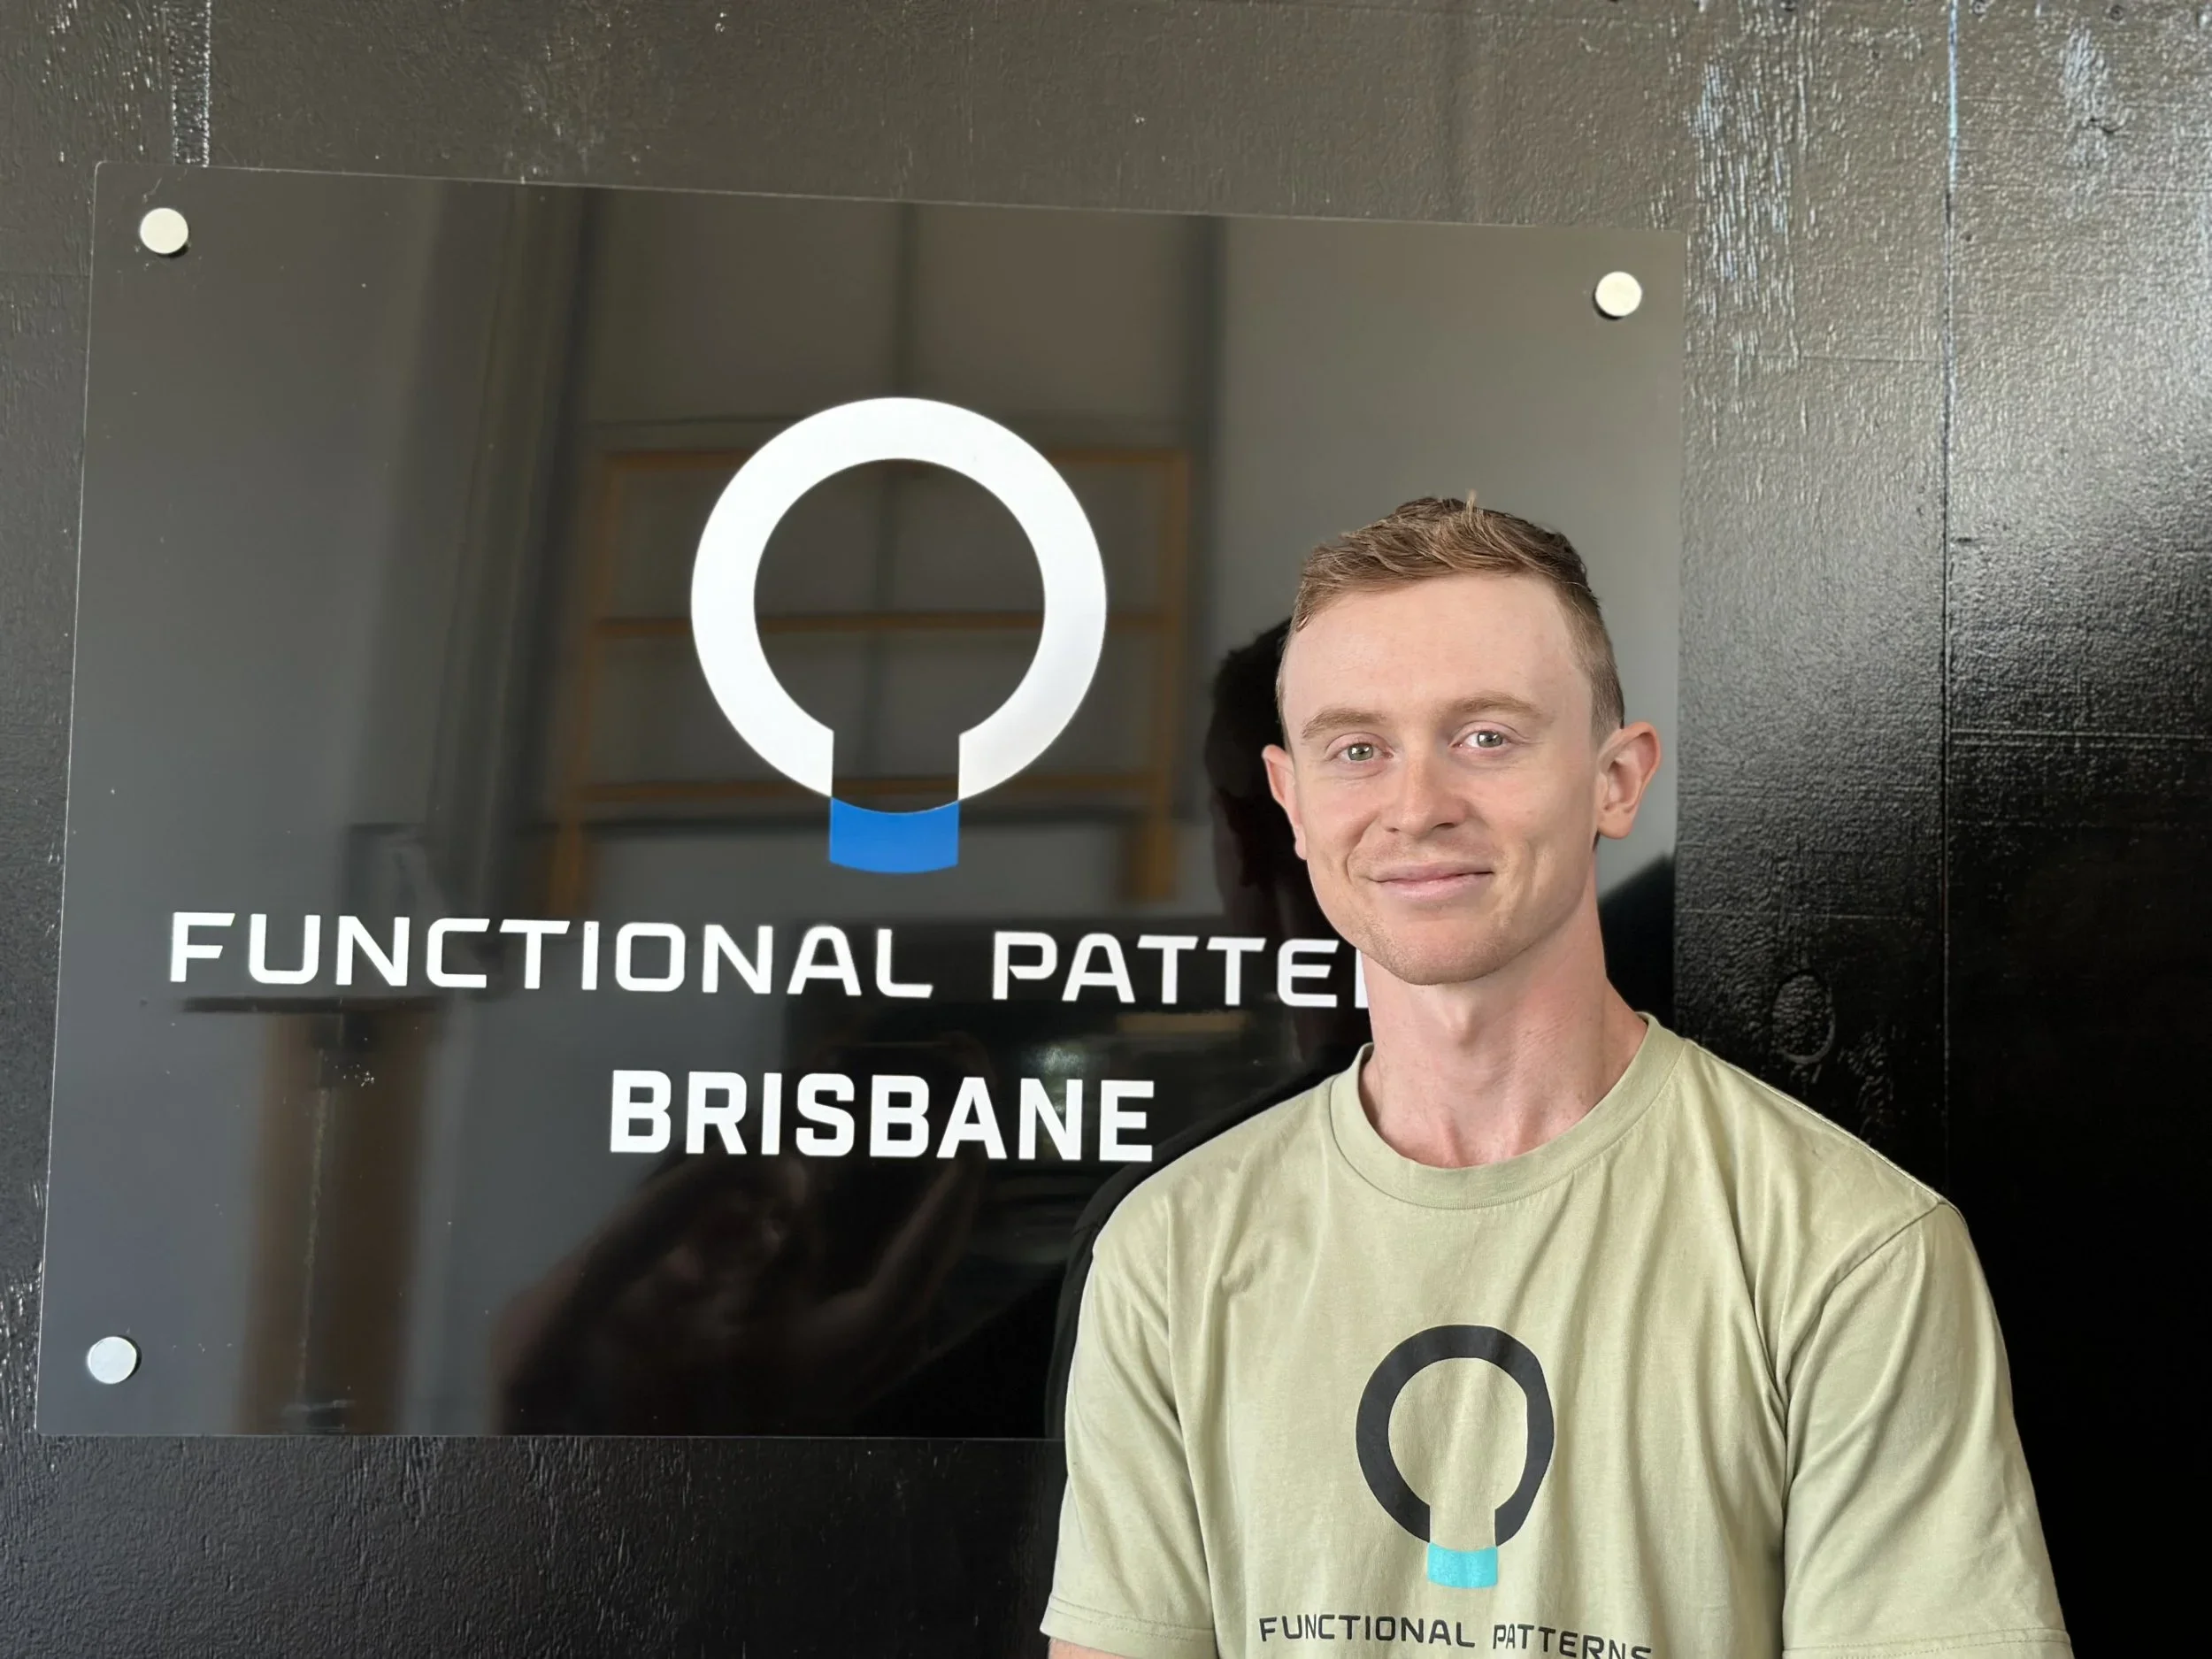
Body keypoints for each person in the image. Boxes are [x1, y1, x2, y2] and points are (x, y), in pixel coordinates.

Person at [1042, 497, 2067, 1659]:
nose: (1416, 803)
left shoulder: (1850, 1248)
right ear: (1291, 801)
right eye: (1357, 748)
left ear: (1617, 779)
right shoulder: (1170, 1251)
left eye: (1486, 735)